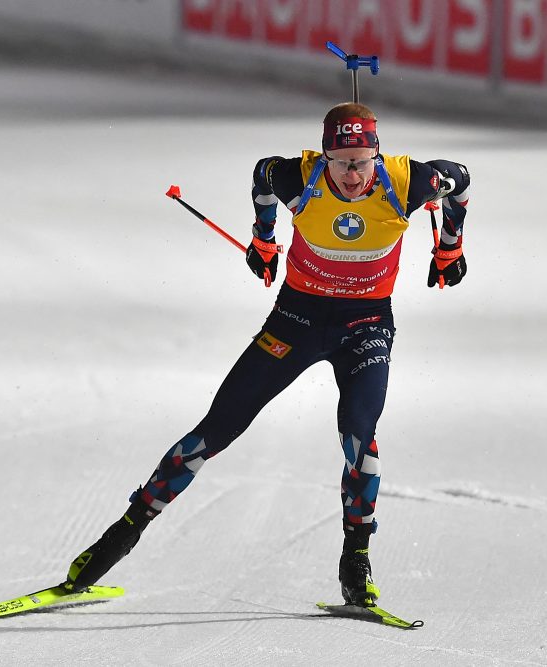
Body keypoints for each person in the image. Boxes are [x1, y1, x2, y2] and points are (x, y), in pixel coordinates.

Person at [62, 102, 470, 607]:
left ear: (377, 156)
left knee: (360, 441)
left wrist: (449, 248)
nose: (351, 174)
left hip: (364, 326)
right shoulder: (299, 177)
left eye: (361, 162)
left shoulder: (410, 183)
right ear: (325, 156)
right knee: (214, 431)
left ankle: (355, 562)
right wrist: (264, 239)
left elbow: (462, 181)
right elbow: (261, 176)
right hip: (294, 322)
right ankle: (120, 536)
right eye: (341, 161)